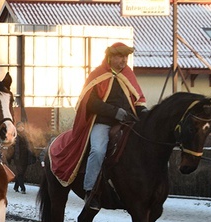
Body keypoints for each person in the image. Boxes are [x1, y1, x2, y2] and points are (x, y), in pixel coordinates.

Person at [48, 42, 148, 210]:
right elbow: (91, 102)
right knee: (98, 150)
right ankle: (91, 191)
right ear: (110, 57)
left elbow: (138, 100)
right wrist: (115, 112)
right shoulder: (97, 74)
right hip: (103, 123)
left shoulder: (128, 74)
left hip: (128, 122)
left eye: (126, 57)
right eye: (120, 56)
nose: (124, 60)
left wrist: (145, 113)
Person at [12, 123, 32, 194]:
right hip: (18, 158)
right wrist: (14, 157)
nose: (21, 128)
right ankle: (23, 188)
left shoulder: (26, 135)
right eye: (19, 127)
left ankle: (16, 187)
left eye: (22, 127)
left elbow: (29, 145)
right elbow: (14, 147)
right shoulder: (15, 135)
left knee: (22, 173)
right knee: (20, 173)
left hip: (25, 157)